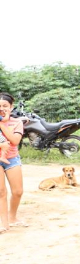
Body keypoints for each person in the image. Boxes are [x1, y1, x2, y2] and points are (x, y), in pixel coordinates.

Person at [0, 93, 25, 234]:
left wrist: (2, 123)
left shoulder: (17, 122)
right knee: (1, 192)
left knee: (17, 191)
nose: (2, 108)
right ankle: (4, 224)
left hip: (12, 159)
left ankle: (12, 217)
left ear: (11, 107)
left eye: (5, 106)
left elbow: (15, 141)